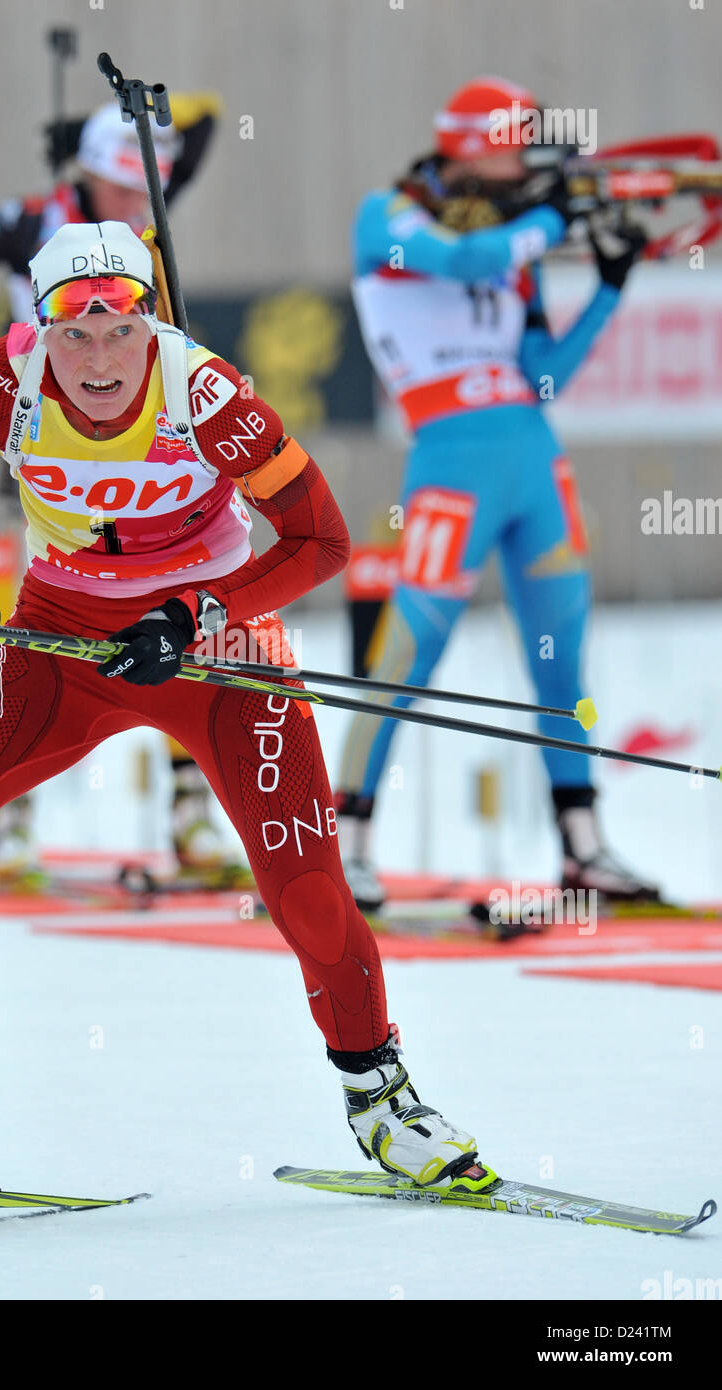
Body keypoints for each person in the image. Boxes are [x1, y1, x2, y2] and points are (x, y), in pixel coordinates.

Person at [0, 222, 496, 1195]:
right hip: (62, 642)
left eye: (116, 328)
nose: (95, 357)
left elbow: (321, 541)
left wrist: (199, 610)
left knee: (301, 885)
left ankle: (383, 1098)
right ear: (37, 330)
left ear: (148, 320)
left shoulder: (204, 393)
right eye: (71, 333)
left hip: (217, 650)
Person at [335, 77, 657, 911]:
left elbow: (541, 376)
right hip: (450, 465)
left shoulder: (516, 246)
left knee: (563, 660)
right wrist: (552, 219)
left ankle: (584, 848)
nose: (529, 164)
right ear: (475, 145)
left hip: (531, 460)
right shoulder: (390, 214)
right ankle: (348, 841)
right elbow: (462, 258)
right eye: (519, 148)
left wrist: (610, 288)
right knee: (409, 656)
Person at [0, 94, 239, 882]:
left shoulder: (147, 221)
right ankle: (7, 818)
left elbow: (202, 127)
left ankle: (190, 813)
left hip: (136, 442)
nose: (137, 202)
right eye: (122, 186)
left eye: (143, 188)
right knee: (17, 604)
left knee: (169, 602)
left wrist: (145, 105)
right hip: (39, 439)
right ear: (89, 173)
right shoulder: (32, 219)